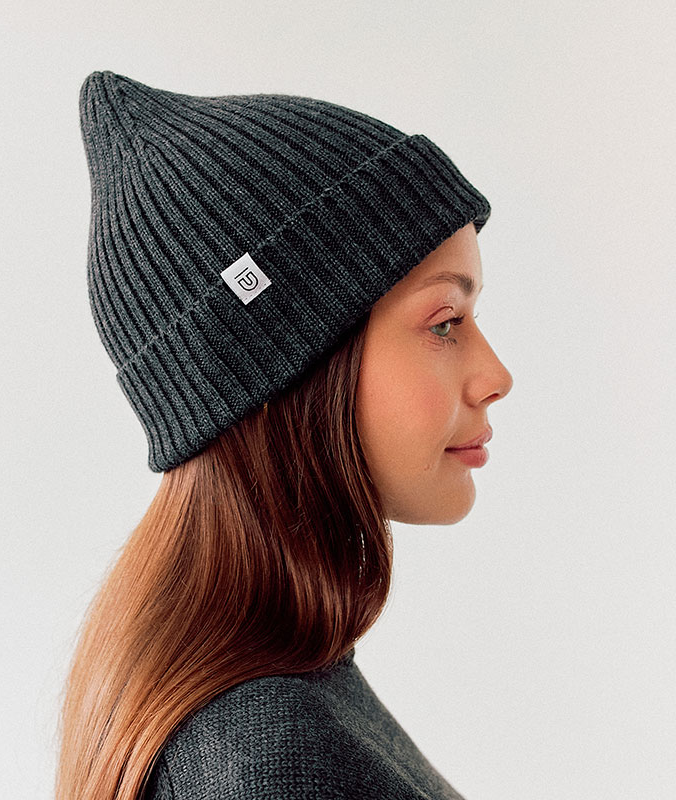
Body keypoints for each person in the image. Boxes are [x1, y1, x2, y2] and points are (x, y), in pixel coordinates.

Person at [57, 70, 513, 800]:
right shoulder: (271, 755)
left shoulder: (285, 691)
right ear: (292, 367)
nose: (495, 376)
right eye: (445, 323)